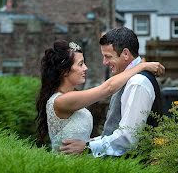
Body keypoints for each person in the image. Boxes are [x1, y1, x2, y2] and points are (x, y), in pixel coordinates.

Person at [36, 38, 164, 152]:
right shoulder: (62, 100)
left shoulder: (70, 97)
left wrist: (88, 145)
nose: (85, 68)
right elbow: (107, 88)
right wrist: (141, 66)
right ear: (65, 71)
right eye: (80, 64)